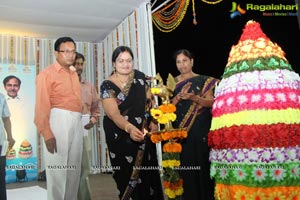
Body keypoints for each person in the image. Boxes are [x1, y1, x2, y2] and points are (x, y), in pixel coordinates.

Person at [100, 46, 164, 200]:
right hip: (119, 134)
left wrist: (154, 122)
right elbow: (113, 114)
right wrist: (129, 128)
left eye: (129, 60)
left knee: (147, 173)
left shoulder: (140, 78)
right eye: (121, 61)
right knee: (125, 174)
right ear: (114, 63)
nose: (125, 64)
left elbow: (151, 103)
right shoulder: (107, 85)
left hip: (142, 132)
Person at [34, 36, 83, 200]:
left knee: (73, 170)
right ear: (56, 53)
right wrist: (47, 133)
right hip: (58, 120)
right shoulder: (46, 74)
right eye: (66, 51)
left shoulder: (73, 73)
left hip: (76, 120)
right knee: (58, 171)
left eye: (73, 51)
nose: (70, 55)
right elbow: (41, 106)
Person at [171, 49, 218, 200]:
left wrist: (195, 98)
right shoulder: (172, 83)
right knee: (186, 163)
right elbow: (168, 108)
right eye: (178, 62)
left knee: (203, 161)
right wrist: (177, 99)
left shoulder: (204, 80)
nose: (182, 64)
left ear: (192, 61)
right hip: (181, 131)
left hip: (201, 127)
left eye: (185, 60)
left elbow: (211, 102)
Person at [74, 52, 100, 200]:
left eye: (81, 64)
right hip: (66, 132)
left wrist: (93, 120)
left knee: (84, 169)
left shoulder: (89, 86)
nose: (79, 67)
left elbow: (96, 108)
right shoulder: (62, 85)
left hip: (84, 131)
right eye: (76, 64)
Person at [0, 92, 15, 200]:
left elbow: (6, 118)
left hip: (0, 143)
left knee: (1, 177)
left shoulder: (1, 97)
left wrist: (10, 136)